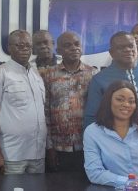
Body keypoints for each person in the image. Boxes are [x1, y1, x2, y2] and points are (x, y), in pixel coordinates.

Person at [83, 80, 138, 191]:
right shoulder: (93, 131)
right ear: (108, 101)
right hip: (114, 187)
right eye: (120, 99)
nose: (126, 104)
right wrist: (132, 184)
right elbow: (95, 173)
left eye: (131, 101)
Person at [0, 30, 47, 175]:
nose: (25, 49)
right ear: (9, 48)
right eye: (19, 45)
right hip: (11, 155)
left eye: (28, 46)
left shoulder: (36, 74)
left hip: (38, 154)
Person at [39, 31, 97, 174]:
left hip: (87, 145)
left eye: (77, 44)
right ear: (58, 50)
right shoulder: (48, 75)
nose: (74, 48)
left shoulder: (93, 74)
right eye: (68, 45)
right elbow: (45, 112)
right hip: (59, 146)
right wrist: (49, 147)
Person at [83, 32, 138, 129]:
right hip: (115, 134)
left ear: (136, 48)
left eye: (131, 46)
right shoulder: (99, 79)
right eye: (121, 47)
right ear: (111, 53)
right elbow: (91, 117)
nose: (128, 50)